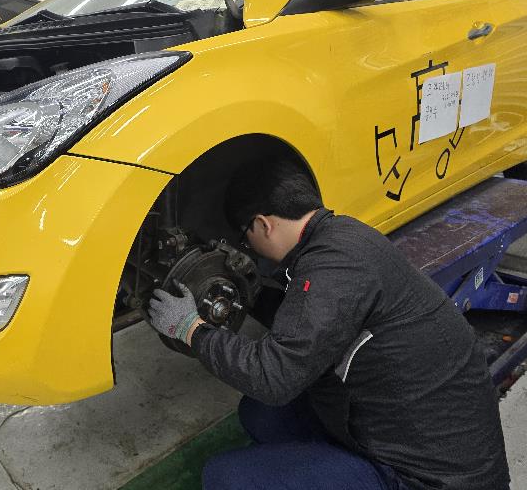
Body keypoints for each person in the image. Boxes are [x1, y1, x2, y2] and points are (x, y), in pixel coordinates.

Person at [148, 156, 509, 490]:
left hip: (425, 479)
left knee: (226, 477)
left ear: (262, 224)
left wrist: (191, 330)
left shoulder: (330, 269)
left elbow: (273, 377)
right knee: (261, 415)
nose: (249, 248)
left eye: (246, 239)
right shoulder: (343, 238)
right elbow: (310, 320)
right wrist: (253, 292)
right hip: (410, 430)